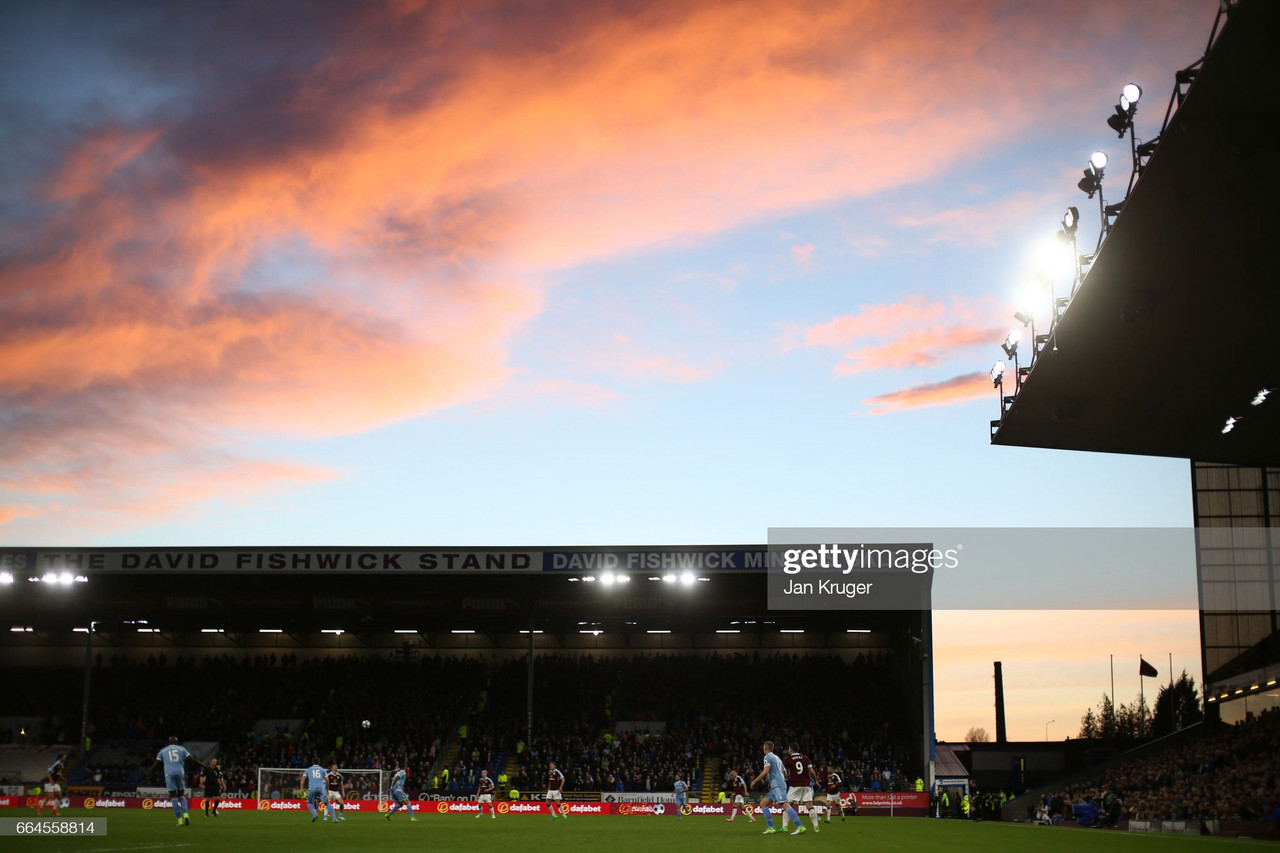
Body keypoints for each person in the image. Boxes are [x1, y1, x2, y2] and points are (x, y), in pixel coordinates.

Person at [750, 740, 804, 835]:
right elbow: (786, 773)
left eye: (763, 747)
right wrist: (774, 780)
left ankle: (800, 826)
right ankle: (771, 828)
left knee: (785, 805)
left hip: (777, 785)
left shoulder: (767, 757)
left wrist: (755, 781)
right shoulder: (777, 758)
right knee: (763, 804)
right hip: (777, 785)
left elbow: (766, 771)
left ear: (765, 748)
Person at [151, 736, 203, 827]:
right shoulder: (182, 749)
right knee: (181, 794)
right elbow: (192, 759)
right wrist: (203, 765)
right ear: (177, 742)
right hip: (180, 772)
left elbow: (156, 763)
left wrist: (149, 772)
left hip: (169, 774)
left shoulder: (163, 750)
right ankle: (186, 814)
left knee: (173, 796)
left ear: (169, 742)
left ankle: (180, 820)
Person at [783, 742, 819, 834]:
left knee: (787, 806)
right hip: (807, 785)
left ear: (791, 749)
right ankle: (816, 827)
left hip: (795, 785)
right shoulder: (805, 757)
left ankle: (785, 827)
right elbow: (811, 771)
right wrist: (816, 781)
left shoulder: (789, 759)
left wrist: (785, 776)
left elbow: (783, 770)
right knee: (810, 806)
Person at [301, 758, 328, 823]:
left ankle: (315, 813)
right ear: (319, 762)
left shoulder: (308, 769)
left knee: (309, 802)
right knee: (320, 800)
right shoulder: (322, 770)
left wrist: (301, 788)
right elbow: (327, 780)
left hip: (312, 788)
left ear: (312, 762)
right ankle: (323, 813)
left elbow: (303, 779)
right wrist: (327, 789)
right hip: (321, 788)